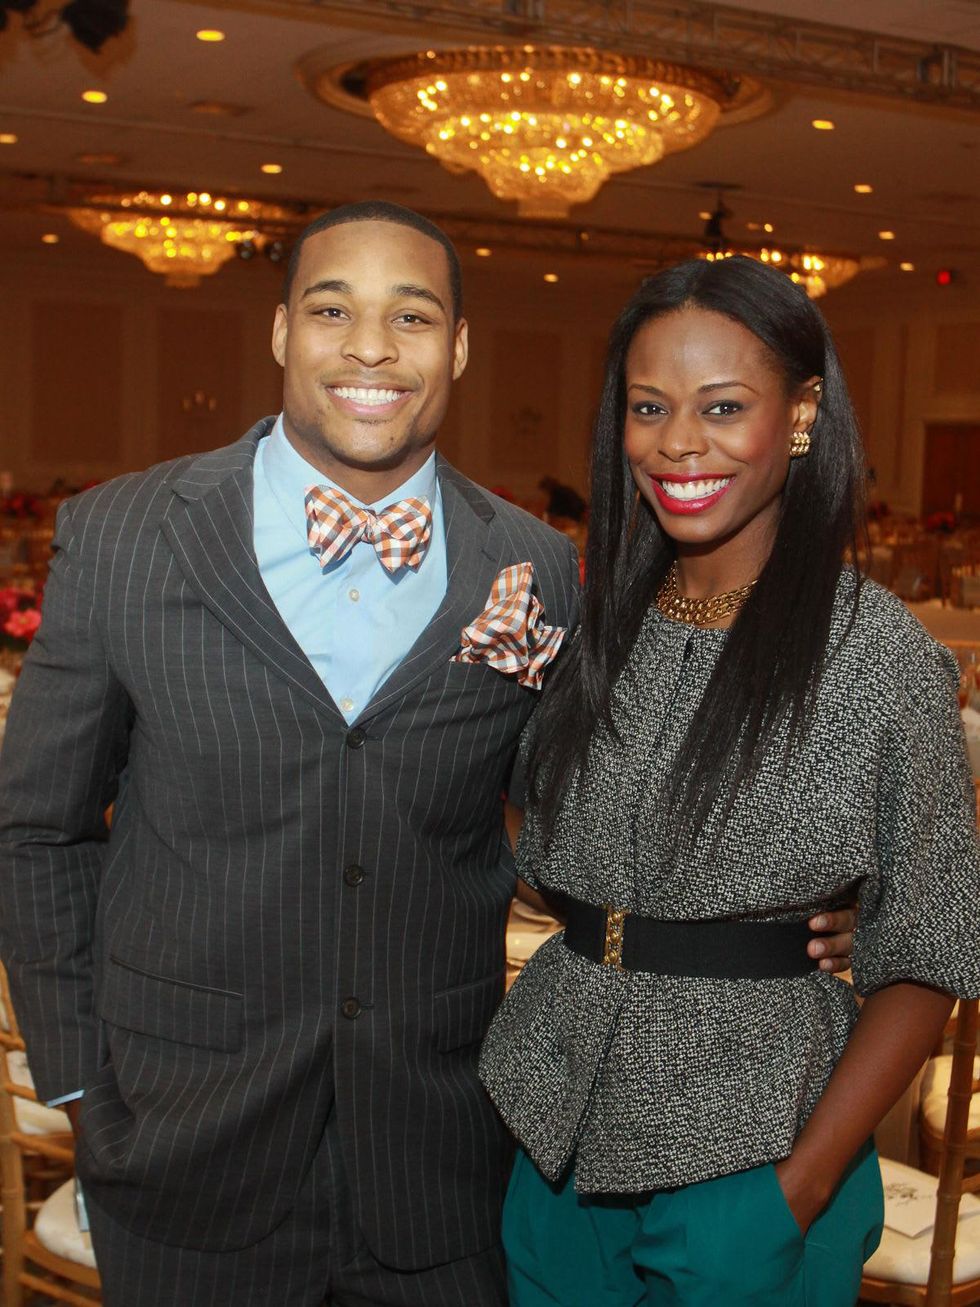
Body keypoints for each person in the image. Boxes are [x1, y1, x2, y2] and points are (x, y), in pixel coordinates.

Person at [0, 208, 854, 1307]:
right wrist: (77, 1081)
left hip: (444, 1156)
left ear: (454, 347)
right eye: (331, 310)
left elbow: (590, 818)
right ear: (278, 333)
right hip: (178, 1149)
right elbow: (38, 830)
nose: (369, 347)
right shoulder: (123, 533)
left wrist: (798, 914)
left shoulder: (537, 564)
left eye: (409, 315)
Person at [480, 254, 980, 1307]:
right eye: (648, 405)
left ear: (798, 415)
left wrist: (787, 1194)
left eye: (721, 406)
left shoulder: (872, 653)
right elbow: (539, 841)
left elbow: (928, 950)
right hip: (553, 1133)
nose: (677, 442)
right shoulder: (597, 626)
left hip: (751, 1156)